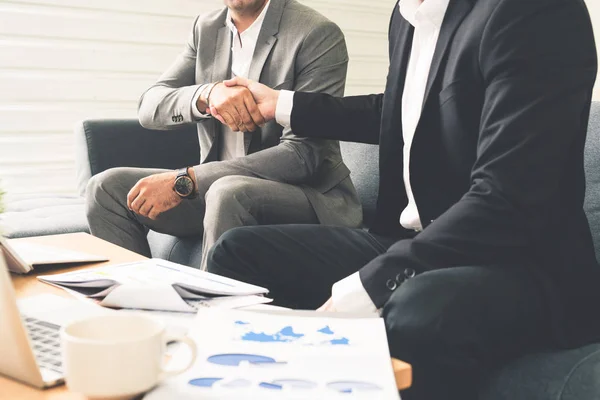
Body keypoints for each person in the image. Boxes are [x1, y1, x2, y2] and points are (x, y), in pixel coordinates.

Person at [205, 0, 600, 398]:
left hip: (522, 263)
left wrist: (372, 283)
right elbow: (400, 109)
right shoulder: (407, 15)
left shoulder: (537, 10)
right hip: (416, 241)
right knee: (238, 252)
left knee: (417, 309)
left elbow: (508, 197)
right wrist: (282, 104)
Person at [85, 0, 361, 269]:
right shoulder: (206, 28)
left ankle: (212, 310)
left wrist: (188, 179)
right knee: (106, 187)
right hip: (215, 188)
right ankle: (139, 302)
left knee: (227, 191)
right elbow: (150, 106)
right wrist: (208, 94)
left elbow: (304, 155)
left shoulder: (316, 33)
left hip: (307, 196)